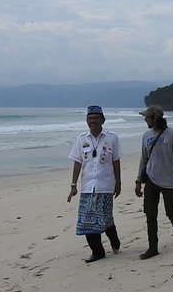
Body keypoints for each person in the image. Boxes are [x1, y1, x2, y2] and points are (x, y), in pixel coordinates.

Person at [67, 105, 122, 263]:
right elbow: (77, 162)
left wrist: (118, 182)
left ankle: (113, 237)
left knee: (105, 219)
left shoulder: (112, 138)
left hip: (105, 185)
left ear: (103, 120)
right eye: (90, 119)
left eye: (96, 118)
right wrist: (73, 185)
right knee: (87, 221)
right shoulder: (81, 139)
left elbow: (116, 161)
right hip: (87, 187)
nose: (93, 121)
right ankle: (98, 252)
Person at [135, 106, 173, 260]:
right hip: (151, 179)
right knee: (150, 215)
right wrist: (139, 180)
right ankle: (153, 247)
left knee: (171, 212)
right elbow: (143, 159)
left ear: (155, 118)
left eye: (147, 117)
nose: (145, 120)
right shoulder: (146, 136)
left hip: (168, 180)